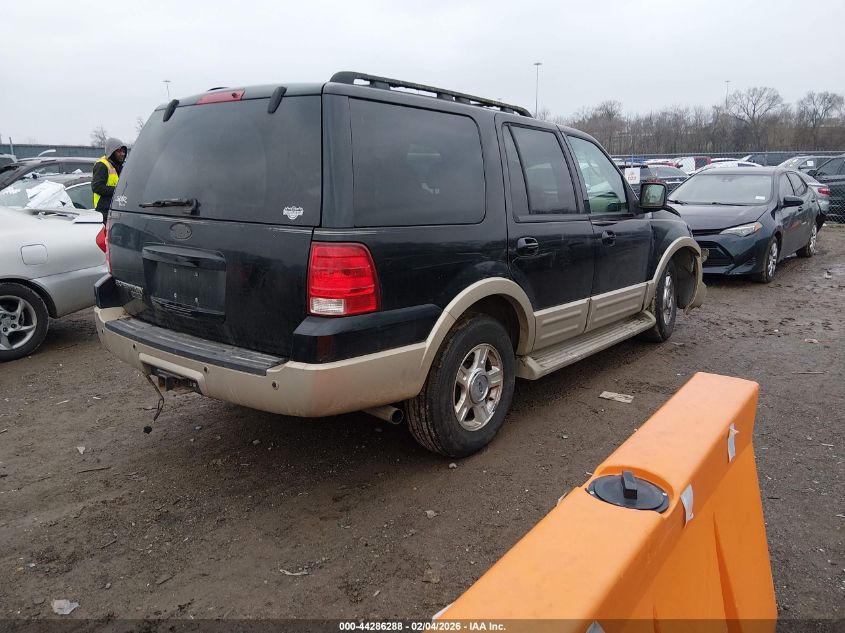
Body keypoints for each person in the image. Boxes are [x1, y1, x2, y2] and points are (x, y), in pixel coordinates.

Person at [92, 137, 127, 221]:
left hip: (116, 208)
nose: (122, 154)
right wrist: (118, 191)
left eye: (123, 151)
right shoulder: (102, 165)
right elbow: (97, 187)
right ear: (111, 152)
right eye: (119, 151)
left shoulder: (119, 166)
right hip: (103, 210)